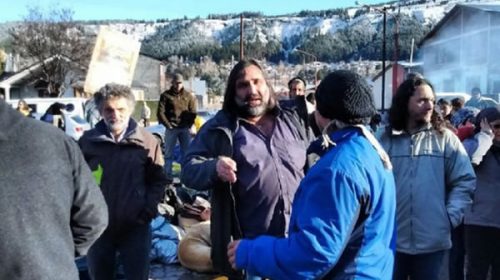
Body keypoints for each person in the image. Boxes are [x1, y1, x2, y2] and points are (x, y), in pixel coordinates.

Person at [227, 70, 397, 279]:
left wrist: (250, 252)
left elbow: (314, 253)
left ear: (324, 112)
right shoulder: (370, 151)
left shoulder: (337, 170)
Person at [181, 59, 313, 278]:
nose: (252, 90)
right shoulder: (219, 128)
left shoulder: (292, 121)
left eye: (256, 82)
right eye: (243, 85)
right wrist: (214, 168)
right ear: (233, 92)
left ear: (267, 85)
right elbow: (188, 169)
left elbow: (314, 161)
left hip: (297, 243)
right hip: (250, 253)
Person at [377, 77, 476, 280]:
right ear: (405, 102)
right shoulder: (383, 139)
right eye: (422, 100)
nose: (430, 105)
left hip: (433, 243)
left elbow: (464, 180)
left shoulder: (445, 139)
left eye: (432, 100)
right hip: (390, 241)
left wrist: (449, 217)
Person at [0, 99, 108, 279]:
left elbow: (93, 217)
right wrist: (53, 255)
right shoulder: (56, 139)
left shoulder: (57, 140)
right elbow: (94, 217)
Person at [79, 83, 168, 280]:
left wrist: (148, 211)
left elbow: (158, 180)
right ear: (101, 111)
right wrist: (85, 215)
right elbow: (77, 182)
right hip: (99, 229)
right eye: (109, 109)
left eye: (121, 109)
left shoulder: (146, 142)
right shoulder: (88, 142)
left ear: (130, 110)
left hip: (136, 228)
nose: (115, 115)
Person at [462, 106, 500, 280]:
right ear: (484, 125)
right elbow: (469, 164)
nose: (499, 131)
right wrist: (486, 137)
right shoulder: (472, 144)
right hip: (479, 223)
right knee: (477, 272)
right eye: (496, 126)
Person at [157, 73, 197, 182]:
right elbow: (160, 112)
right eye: (176, 82)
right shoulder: (165, 96)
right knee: (168, 154)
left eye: (179, 82)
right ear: (172, 83)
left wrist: (189, 124)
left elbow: (193, 112)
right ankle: (167, 177)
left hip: (184, 128)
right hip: (172, 128)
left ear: (182, 83)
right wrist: (168, 125)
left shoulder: (188, 96)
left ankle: (187, 175)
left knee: (187, 153)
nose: (178, 85)